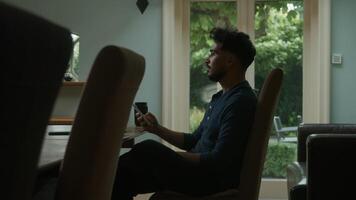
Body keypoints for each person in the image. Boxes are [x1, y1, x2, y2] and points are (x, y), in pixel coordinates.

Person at [111, 27, 257, 200]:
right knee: (125, 178)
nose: (207, 60)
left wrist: (169, 157)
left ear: (230, 60)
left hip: (209, 180)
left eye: (213, 53)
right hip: (197, 174)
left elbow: (220, 160)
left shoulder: (240, 101)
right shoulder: (220, 98)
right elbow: (194, 140)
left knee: (148, 150)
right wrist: (157, 129)